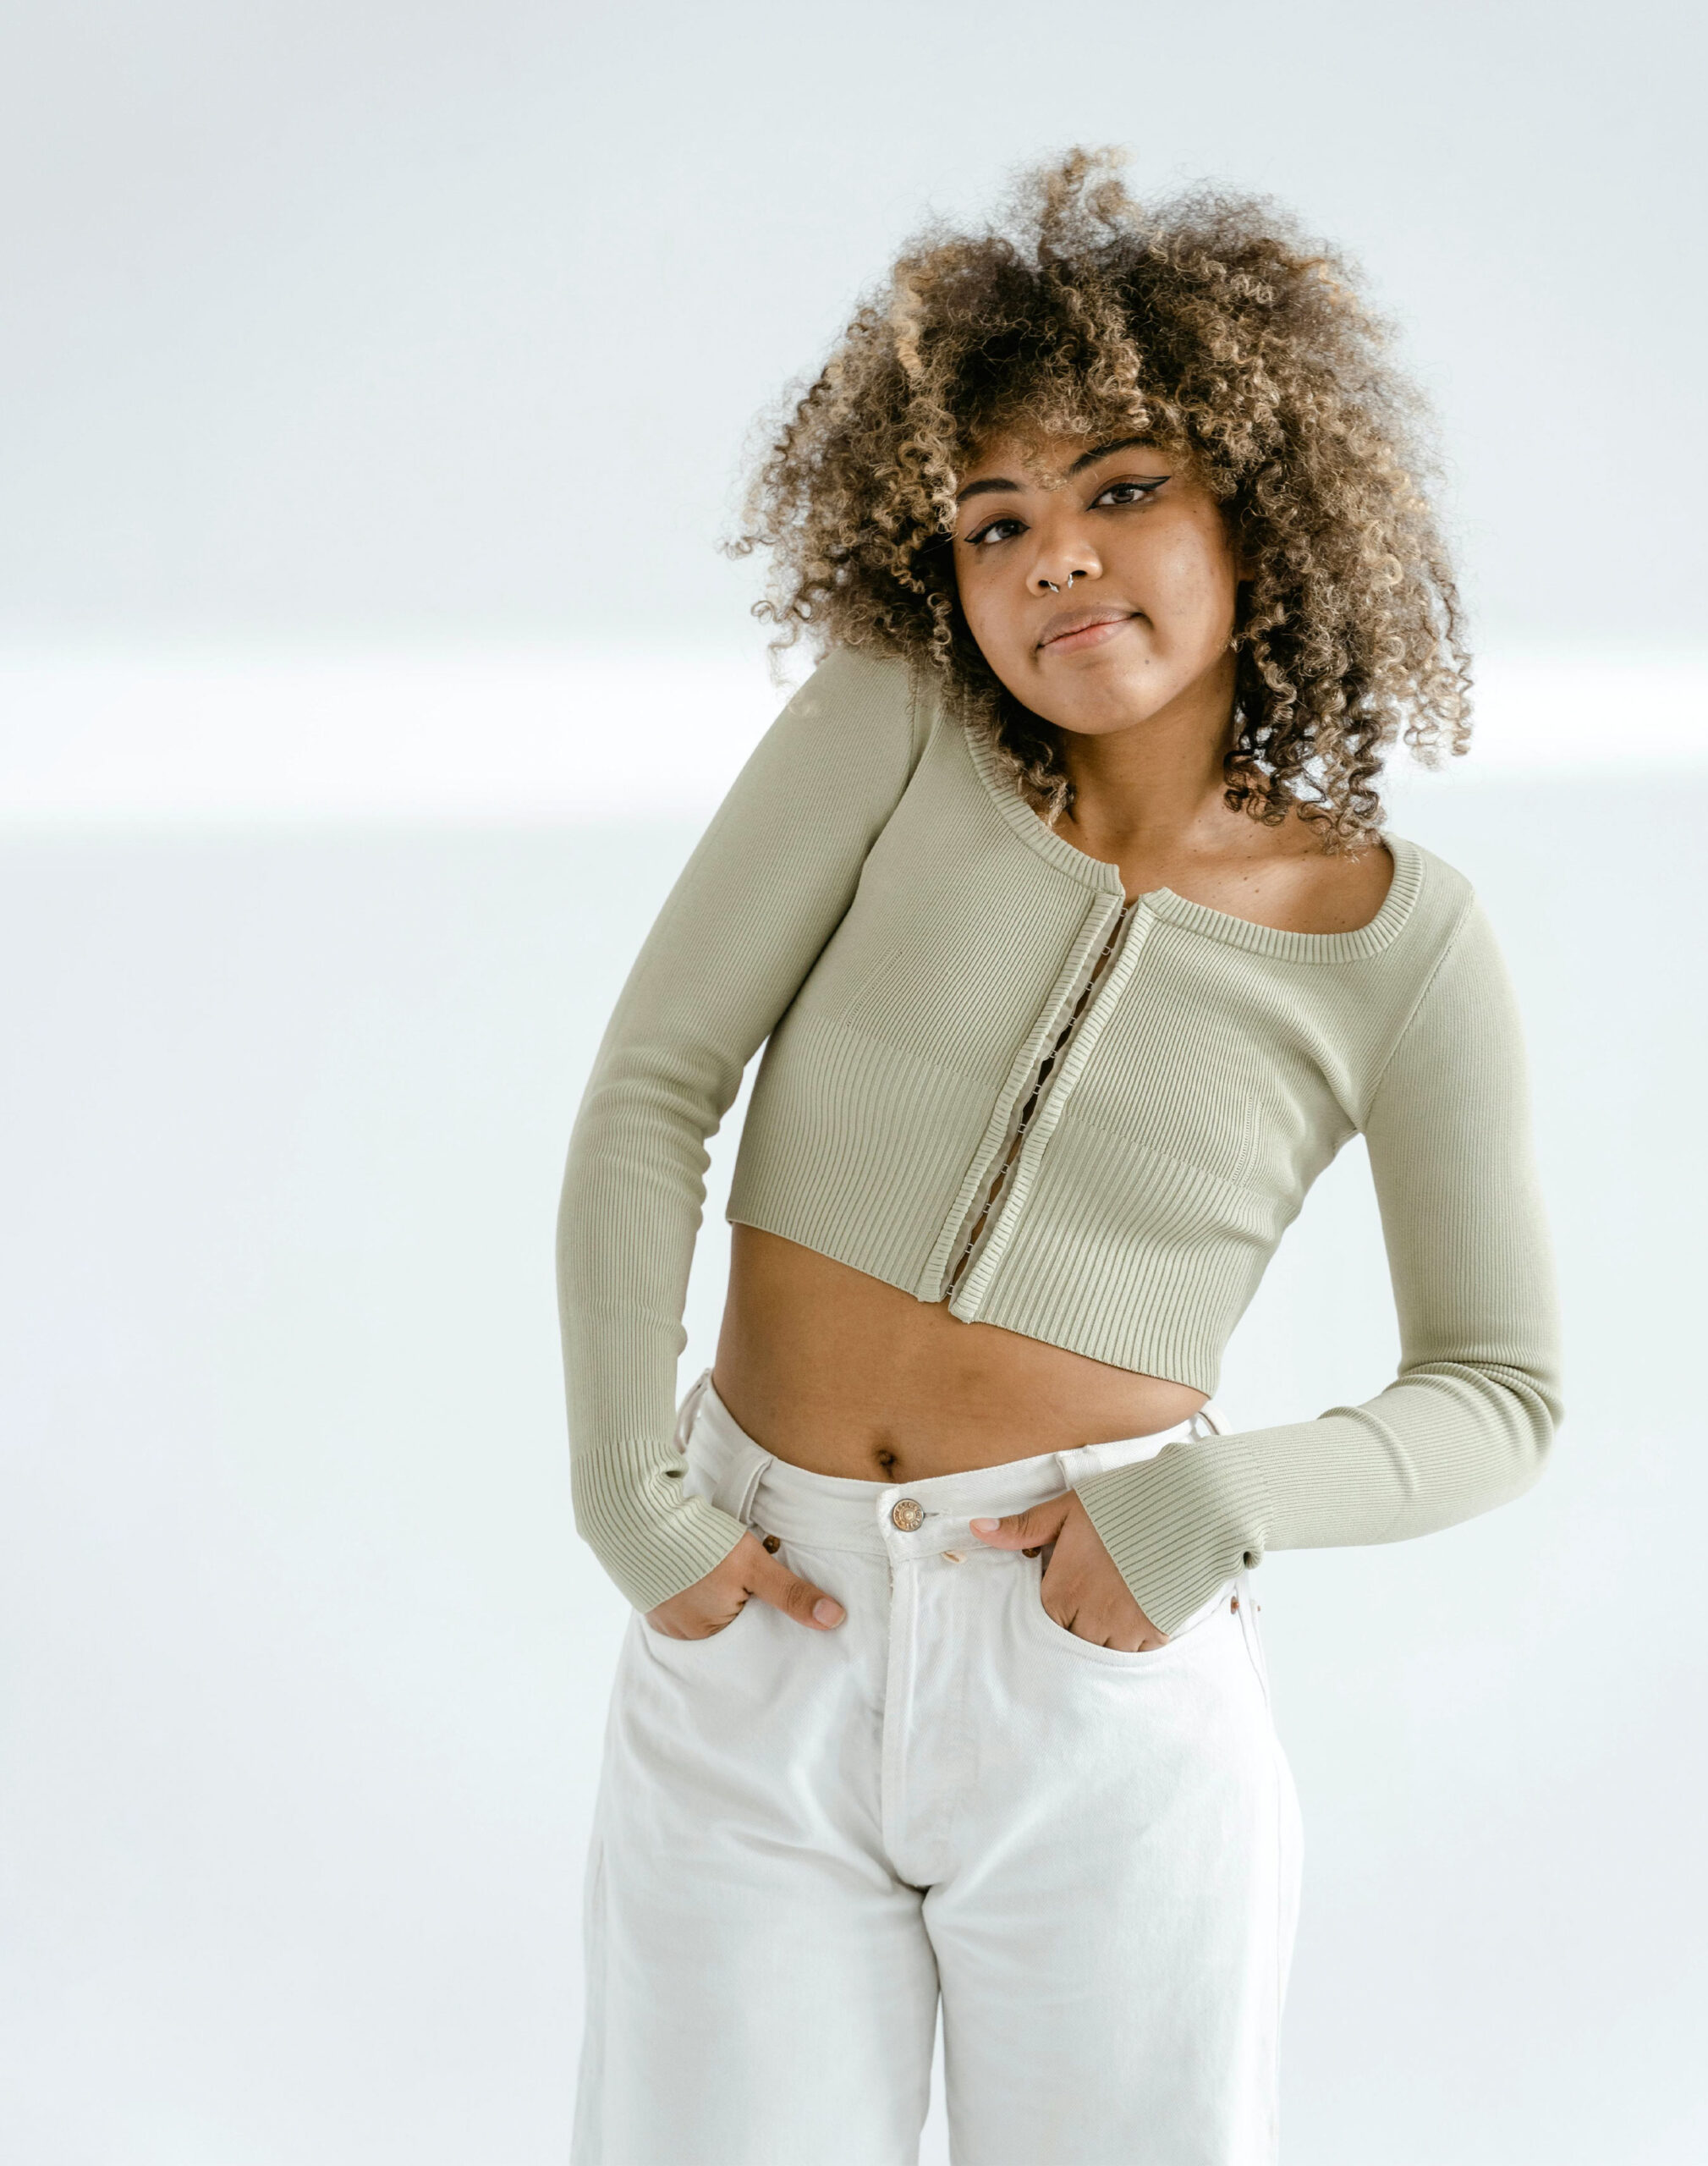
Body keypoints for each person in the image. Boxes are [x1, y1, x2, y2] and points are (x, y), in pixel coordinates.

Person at [555, 147, 1562, 2166]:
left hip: (1095, 1660)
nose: (1052, 557)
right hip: (759, 1619)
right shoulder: (893, 727)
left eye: (1118, 489)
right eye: (992, 519)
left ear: (1252, 508)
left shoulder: (1400, 938)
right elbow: (654, 1085)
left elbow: (1498, 1392)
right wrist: (630, 1497)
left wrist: (1208, 1507)